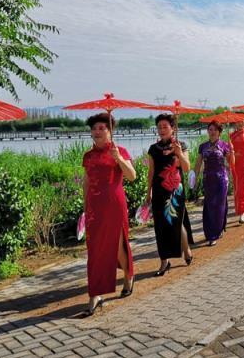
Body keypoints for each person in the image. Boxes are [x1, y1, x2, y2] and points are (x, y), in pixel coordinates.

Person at [82, 113, 137, 315]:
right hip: (94, 209)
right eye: (94, 128)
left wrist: (119, 159)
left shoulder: (119, 151)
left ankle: (128, 276)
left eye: (101, 128)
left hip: (115, 205)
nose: (96, 132)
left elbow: (132, 176)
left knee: (117, 247)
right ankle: (95, 293)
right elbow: (87, 183)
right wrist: (84, 208)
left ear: (110, 131)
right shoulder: (87, 156)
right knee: (94, 250)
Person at [147, 114, 193, 276]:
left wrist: (179, 153)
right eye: (159, 127)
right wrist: (148, 192)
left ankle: (186, 249)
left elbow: (187, 168)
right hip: (159, 191)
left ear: (173, 128)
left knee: (176, 223)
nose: (161, 130)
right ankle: (164, 262)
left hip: (175, 191)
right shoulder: (154, 149)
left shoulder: (182, 145)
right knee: (160, 227)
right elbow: (151, 172)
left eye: (165, 126)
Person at [194, 121, 234, 246]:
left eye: (215, 130)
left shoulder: (224, 145)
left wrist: (231, 152)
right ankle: (214, 229)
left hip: (221, 179)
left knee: (220, 205)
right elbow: (198, 164)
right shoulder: (203, 146)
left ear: (219, 132)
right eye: (210, 129)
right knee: (210, 206)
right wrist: (195, 178)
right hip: (208, 179)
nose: (212, 132)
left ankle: (214, 234)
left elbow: (231, 162)